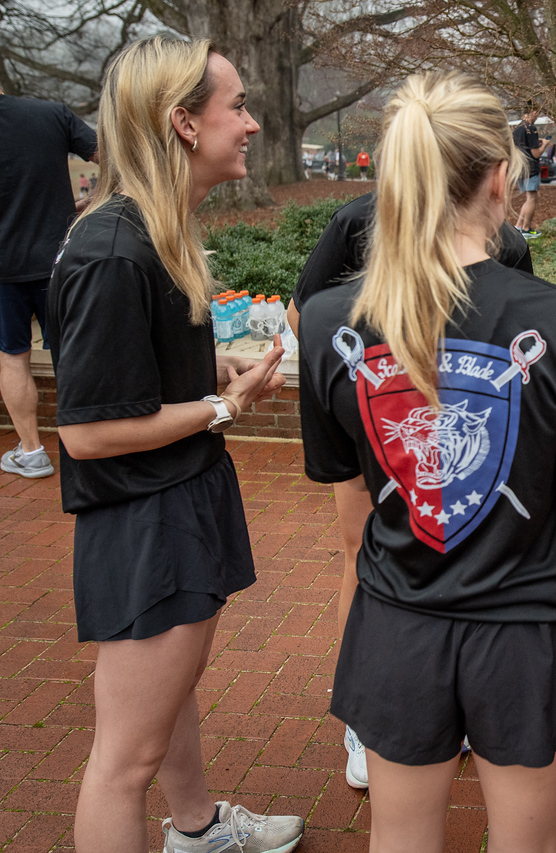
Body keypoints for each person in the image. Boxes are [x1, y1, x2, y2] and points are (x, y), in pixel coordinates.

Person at [298, 70, 556, 853]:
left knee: (400, 841)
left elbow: (353, 507)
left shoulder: (330, 322)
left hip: (397, 624)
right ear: (501, 178)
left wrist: (394, 596)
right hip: (527, 633)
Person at [45, 36, 304, 853]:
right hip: (144, 526)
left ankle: (196, 829)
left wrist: (206, 363)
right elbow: (85, 432)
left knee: (173, 696)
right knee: (124, 759)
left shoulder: (155, 233)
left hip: (178, 503)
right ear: (183, 123)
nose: (252, 124)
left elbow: (134, 374)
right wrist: (221, 405)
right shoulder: (113, 250)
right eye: (236, 107)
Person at [285, 190, 534, 789]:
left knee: (467, 551)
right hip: (384, 417)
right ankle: (364, 718)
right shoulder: (357, 217)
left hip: (467, 424)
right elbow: (304, 314)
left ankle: (462, 703)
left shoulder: (505, 238)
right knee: (361, 553)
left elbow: (521, 321)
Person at [0, 82, 97, 479]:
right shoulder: (49, 115)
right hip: (59, 259)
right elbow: (115, 156)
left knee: (12, 356)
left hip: (4, 272)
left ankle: (31, 451)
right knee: (72, 352)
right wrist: (90, 204)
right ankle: (90, 447)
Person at [512, 102, 548, 239]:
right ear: (532, 112)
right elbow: (536, 154)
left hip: (520, 168)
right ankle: (526, 229)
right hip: (531, 168)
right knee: (532, 198)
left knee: (529, 198)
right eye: (537, 112)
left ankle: (519, 226)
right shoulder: (530, 128)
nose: (538, 116)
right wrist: (544, 144)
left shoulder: (518, 128)